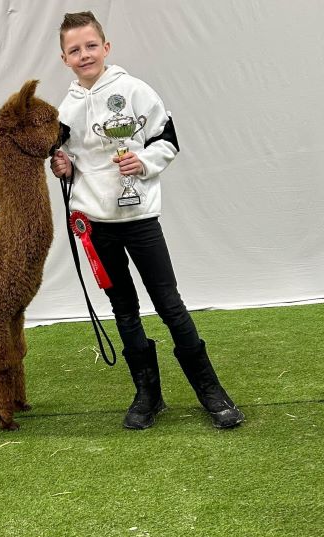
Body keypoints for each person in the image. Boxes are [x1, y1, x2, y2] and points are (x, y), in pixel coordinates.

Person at [51, 11, 244, 430]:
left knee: (169, 303)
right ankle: (148, 395)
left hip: (139, 218)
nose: (84, 55)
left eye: (91, 45)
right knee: (123, 309)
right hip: (95, 223)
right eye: (74, 50)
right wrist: (65, 168)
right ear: (64, 59)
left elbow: (167, 140)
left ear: (106, 47)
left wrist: (143, 161)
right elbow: (73, 162)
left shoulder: (135, 91)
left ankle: (210, 390)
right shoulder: (64, 111)